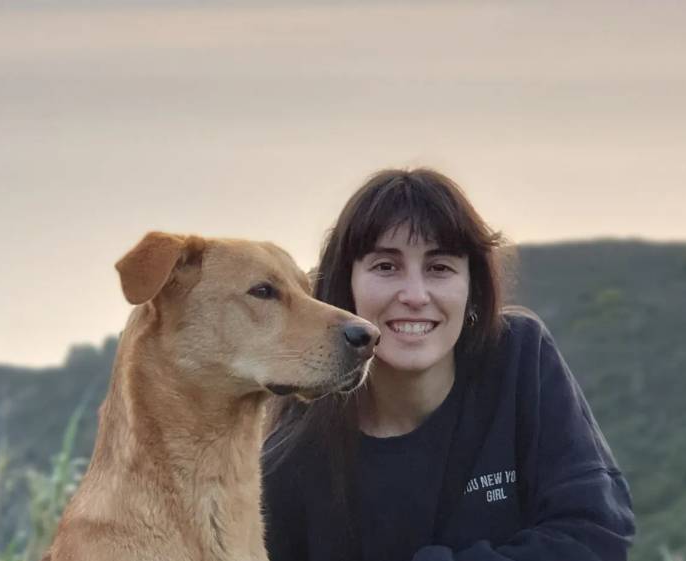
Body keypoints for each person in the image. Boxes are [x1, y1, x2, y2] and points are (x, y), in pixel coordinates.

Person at [261, 168, 635, 561]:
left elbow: (597, 533)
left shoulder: (519, 357)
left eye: (439, 267)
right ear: (346, 288)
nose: (415, 295)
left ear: (472, 288)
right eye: (386, 267)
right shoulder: (289, 469)